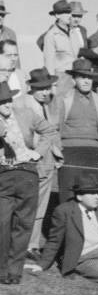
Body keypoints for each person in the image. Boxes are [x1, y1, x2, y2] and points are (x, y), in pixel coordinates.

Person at [16, 68, 62, 260]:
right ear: (31, 87)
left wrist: (58, 154)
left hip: (48, 161)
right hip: (28, 161)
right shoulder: (21, 105)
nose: (45, 92)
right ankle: (19, 242)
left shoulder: (49, 104)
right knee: (24, 203)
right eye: (40, 88)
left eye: (47, 88)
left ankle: (32, 245)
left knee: (40, 205)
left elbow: (52, 132)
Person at [0, 82, 42, 284]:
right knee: (2, 224)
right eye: (2, 102)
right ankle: (1, 271)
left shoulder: (24, 115)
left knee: (24, 224)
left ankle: (14, 272)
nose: (7, 104)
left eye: (8, 100)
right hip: (4, 176)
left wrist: (39, 152)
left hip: (27, 173)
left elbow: (49, 131)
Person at [57, 58, 98, 203]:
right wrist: (59, 152)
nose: (86, 81)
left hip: (95, 154)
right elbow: (55, 128)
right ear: (74, 79)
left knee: (92, 199)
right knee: (68, 197)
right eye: (82, 77)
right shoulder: (64, 99)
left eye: (89, 77)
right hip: (70, 153)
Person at [42, 0, 75, 96]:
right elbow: (49, 62)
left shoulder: (74, 32)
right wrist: (53, 84)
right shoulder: (51, 35)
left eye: (69, 12)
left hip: (76, 75)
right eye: (65, 13)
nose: (69, 16)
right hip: (61, 77)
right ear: (57, 15)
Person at [0, 0, 20, 65]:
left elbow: (15, 58)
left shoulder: (10, 34)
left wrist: (17, 74)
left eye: (2, 15)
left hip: (6, 72)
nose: (0, 17)